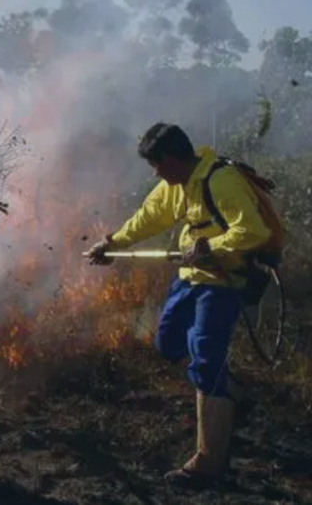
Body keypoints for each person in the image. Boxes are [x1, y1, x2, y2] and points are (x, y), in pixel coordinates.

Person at [86, 122, 273, 487]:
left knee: (205, 358)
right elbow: (149, 217)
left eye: (156, 164)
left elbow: (254, 231)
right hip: (189, 280)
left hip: (220, 284)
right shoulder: (176, 185)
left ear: (171, 159)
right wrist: (111, 244)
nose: (155, 172)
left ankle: (209, 464)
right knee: (168, 343)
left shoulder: (221, 180)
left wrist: (211, 247)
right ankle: (231, 395)